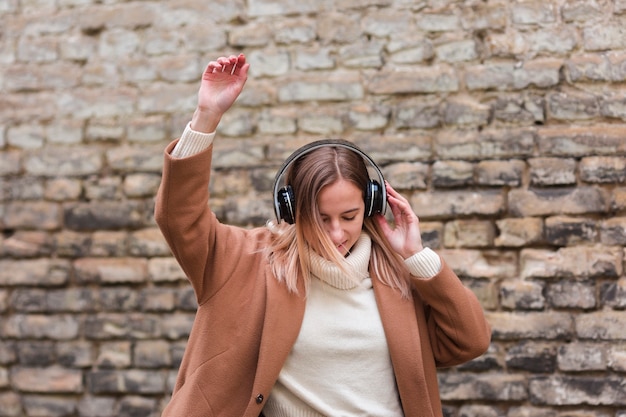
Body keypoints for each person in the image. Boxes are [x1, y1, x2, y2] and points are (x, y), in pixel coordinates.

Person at [154, 53, 491, 417]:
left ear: (372, 205)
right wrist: (207, 116)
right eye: (320, 217)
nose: (335, 232)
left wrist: (417, 258)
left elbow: (469, 342)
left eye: (349, 216)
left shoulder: (398, 275)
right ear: (291, 210)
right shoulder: (245, 263)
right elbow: (179, 218)